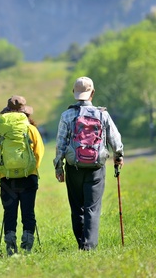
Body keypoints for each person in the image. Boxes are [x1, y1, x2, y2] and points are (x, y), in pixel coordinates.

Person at [53, 76, 124, 250]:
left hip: (74, 166)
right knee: (92, 207)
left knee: (77, 207)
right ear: (92, 92)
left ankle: (81, 244)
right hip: (96, 168)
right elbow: (115, 139)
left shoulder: (67, 115)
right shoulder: (102, 114)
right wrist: (118, 156)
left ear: (74, 93)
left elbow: (61, 143)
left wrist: (58, 166)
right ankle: (89, 247)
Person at [0, 95, 44, 255]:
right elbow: (39, 153)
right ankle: (27, 245)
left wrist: (2, 172)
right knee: (28, 212)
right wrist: (30, 169)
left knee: (9, 212)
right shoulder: (31, 129)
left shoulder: (0, 130)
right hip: (29, 176)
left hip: (6, 178)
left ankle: (10, 246)